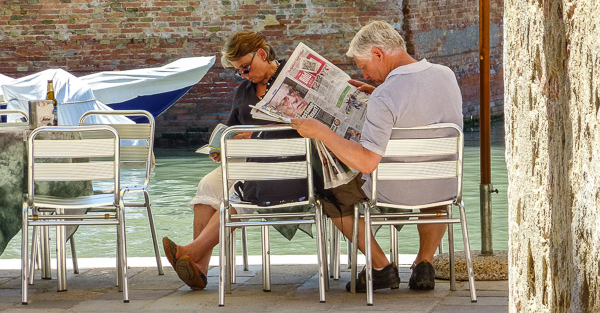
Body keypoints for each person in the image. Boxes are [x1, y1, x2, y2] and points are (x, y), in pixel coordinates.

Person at [290, 20, 463, 292]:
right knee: (433, 185)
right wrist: (378, 94)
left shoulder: (385, 95)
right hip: (445, 187)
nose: (366, 74)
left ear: (379, 54)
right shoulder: (446, 75)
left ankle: (380, 266)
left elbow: (367, 161)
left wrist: (322, 132)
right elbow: (415, 103)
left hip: (393, 192)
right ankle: (424, 262)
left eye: (363, 66)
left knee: (330, 191)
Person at [162, 30, 288, 290]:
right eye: (238, 71)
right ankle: (199, 268)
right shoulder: (244, 91)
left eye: (245, 68)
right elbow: (230, 129)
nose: (243, 75)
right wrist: (222, 146)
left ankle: (190, 252)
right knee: (208, 185)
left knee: (235, 192)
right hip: (247, 163)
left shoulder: (291, 76)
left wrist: (254, 135)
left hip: (285, 166)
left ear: (262, 54)